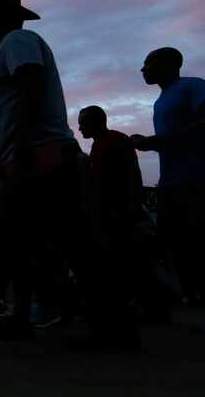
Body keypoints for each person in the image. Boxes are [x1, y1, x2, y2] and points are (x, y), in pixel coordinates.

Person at [0, 0, 81, 340]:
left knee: (5, 243)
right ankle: (111, 321)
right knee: (52, 244)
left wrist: (24, 143)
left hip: (41, 157)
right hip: (39, 157)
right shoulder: (9, 51)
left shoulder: (18, 41)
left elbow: (31, 85)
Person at [131, 47, 205, 308]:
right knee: (173, 242)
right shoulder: (159, 101)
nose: (143, 69)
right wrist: (150, 143)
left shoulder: (194, 86)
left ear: (169, 64)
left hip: (198, 178)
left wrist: (157, 141)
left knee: (198, 239)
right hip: (169, 182)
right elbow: (173, 139)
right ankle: (191, 295)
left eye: (148, 63)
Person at [78, 105, 144, 347]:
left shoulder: (117, 140)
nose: (80, 127)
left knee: (119, 271)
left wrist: (133, 207)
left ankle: (123, 331)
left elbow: (132, 174)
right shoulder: (96, 146)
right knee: (111, 271)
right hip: (104, 216)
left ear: (95, 121)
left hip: (118, 214)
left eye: (83, 123)